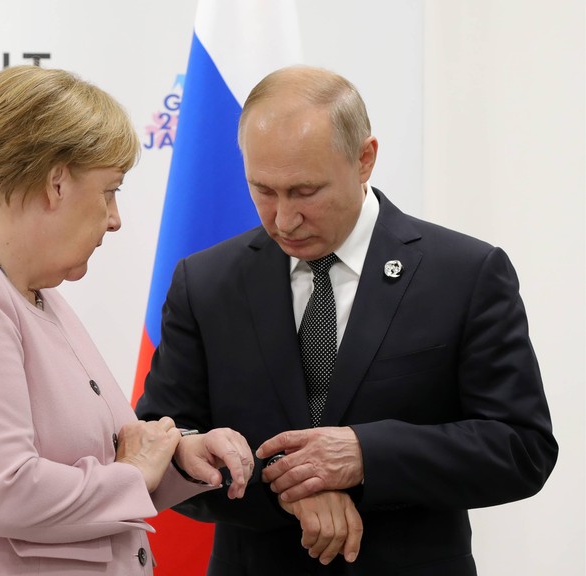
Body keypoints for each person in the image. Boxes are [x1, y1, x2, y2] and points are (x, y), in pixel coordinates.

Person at [135, 65, 557, 575]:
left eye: (305, 191)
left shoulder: (465, 274)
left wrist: (366, 455)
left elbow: (521, 447)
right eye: (263, 190)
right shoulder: (204, 283)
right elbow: (164, 448)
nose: (283, 219)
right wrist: (291, 489)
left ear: (365, 159)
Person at [0, 65, 254, 576]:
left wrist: (179, 459)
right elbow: (3, 492)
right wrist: (136, 473)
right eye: (110, 190)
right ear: (56, 182)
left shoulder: (29, 288)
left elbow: (110, 462)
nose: (115, 218)